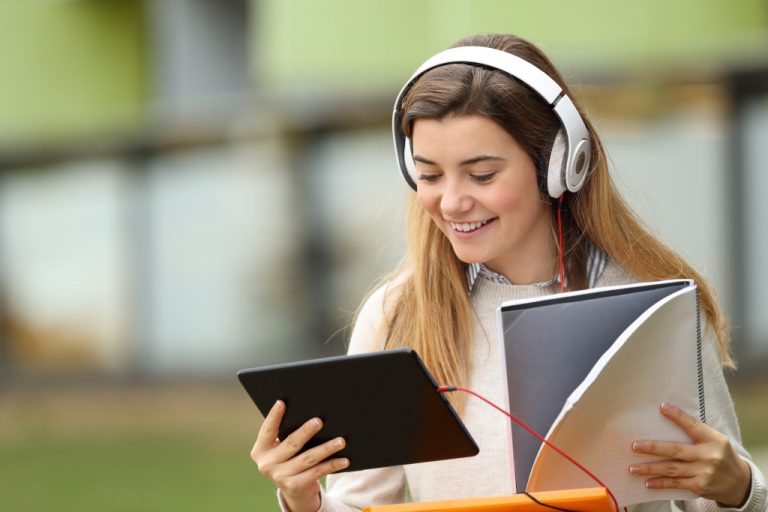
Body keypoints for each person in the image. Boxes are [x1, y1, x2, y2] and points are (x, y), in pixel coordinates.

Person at [250, 34, 768, 512]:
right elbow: (360, 505)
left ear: (559, 164)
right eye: (429, 174)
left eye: (482, 174)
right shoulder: (398, 315)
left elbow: (715, 494)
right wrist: (303, 497)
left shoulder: (653, 307)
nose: (451, 202)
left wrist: (738, 488)